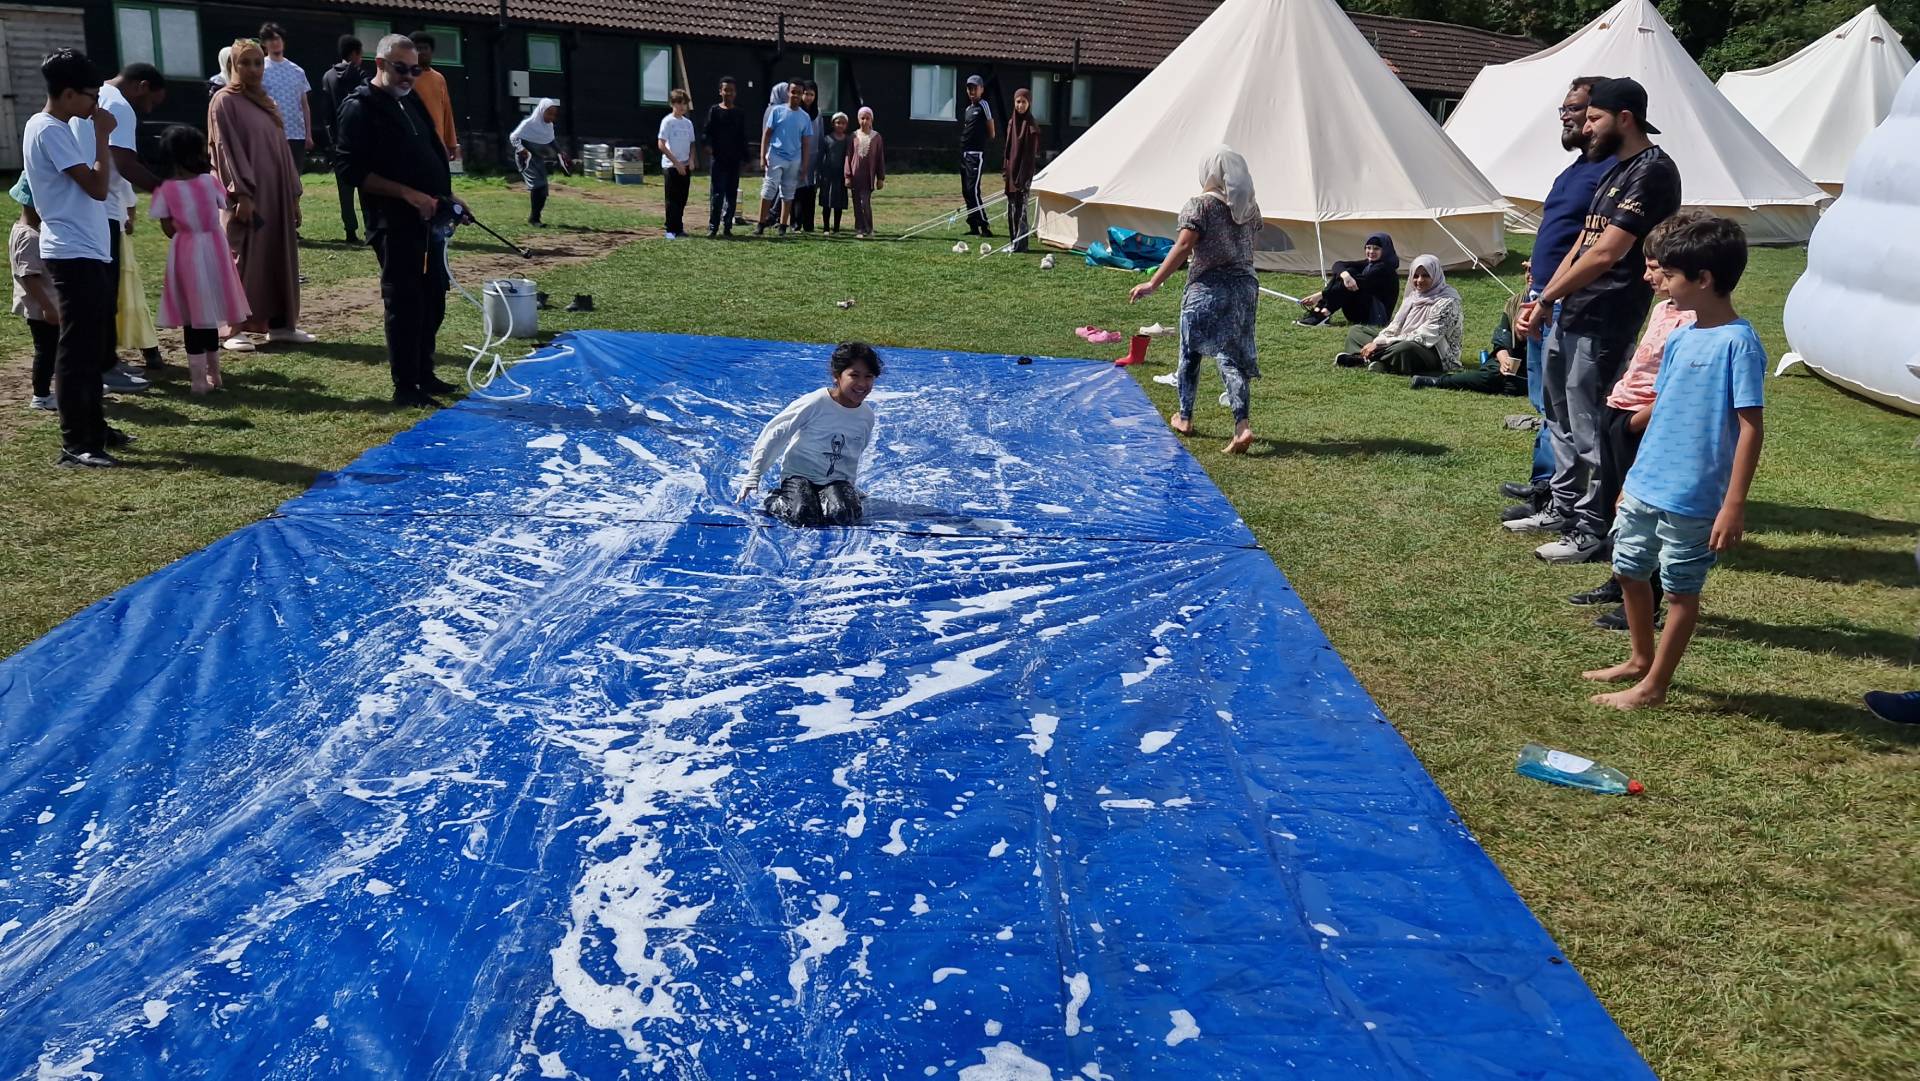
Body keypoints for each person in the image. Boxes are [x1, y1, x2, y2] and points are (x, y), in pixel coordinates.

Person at [1581, 215, 1763, 711]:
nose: (1662, 282)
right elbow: (1662, 410)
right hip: (1647, 482)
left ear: (1703, 279)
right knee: (1628, 568)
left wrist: (1733, 505)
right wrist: (1633, 478)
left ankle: (1654, 687)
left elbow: (1750, 427)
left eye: (1671, 274)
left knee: (1680, 589)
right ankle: (1640, 659)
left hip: (1693, 493)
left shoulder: (1739, 344)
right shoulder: (1681, 336)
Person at [1512, 76, 1682, 564]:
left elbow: (1608, 252)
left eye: (1593, 118)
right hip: (1572, 309)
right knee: (1560, 417)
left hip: (1607, 314)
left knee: (1591, 427)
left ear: (1623, 118)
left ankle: (1593, 527)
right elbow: (1581, 243)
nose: (1584, 127)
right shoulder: (1614, 170)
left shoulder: (1653, 172)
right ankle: (1562, 506)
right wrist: (1545, 298)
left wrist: (1549, 297)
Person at [1573, 213, 1703, 630]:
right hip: (1620, 409)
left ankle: (1648, 599)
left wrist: (1637, 422)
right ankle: (1621, 580)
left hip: (1643, 422)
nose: (1647, 276)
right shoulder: (1663, 308)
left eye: (1655, 268)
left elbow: (1675, 387)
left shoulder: (1693, 322)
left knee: (1644, 515)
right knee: (1619, 504)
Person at [1500, 77, 1615, 522]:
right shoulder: (1573, 170)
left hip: (1571, 301)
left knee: (1568, 406)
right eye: (1564, 109)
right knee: (1545, 401)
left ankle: (1559, 493)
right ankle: (1546, 482)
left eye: (1577, 109)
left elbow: (1597, 244)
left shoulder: (1611, 174)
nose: (1567, 117)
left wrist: (1553, 290)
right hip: (1543, 296)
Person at [335, 33, 458, 407]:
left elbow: (431, 150)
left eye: (414, 70)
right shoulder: (359, 107)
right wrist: (407, 194)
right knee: (405, 302)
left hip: (430, 218)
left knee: (433, 297)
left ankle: (424, 372)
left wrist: (448, 197)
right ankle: (406, 385)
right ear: (380, 64)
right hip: (393, 222)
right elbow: (349, 169)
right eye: (401, 69)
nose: (408, 76)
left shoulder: (411, 98)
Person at [1127, 145, 1263, 455]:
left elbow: (1184, 246)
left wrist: (1153, 282)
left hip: (1207, 288)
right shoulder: (1248, 207)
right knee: (1231, 357)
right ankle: (1241, 425)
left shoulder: (1200, 206)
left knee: (1190, 352)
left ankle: (1185, 416)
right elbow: (1249, 246)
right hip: (1244, 288)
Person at [25, 49, 122, 467]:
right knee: (77, 350)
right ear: (68, 94)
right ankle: (76, 441)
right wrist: (102, 136)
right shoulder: (48, 129)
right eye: (91, 95)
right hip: (71, 251)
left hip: (87, 248)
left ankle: (95, 428)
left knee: (91, 346)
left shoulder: (57, 127)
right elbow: (97, 187)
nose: (95, 104)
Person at [210, 38, 312, 351]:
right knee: (243, 257)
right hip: (247, 197)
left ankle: (280, 325)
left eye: (257, 63)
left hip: (276, 194)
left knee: (278, 256)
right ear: (233, 66)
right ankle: (233, 328)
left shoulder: (266, 102)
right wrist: (240, 194)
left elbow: (282, 151)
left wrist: (293, 195)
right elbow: (224, 149)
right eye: (245, 63)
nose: (253, 69)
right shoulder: (224, 101)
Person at [150, 125, 251, 395]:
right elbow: (221, 204)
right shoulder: (210, 182)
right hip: (214, 249)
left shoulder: (166, 190)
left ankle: (197, 380)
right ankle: (214, 374)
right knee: (210, 314)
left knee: (192, 316)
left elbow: (168, 228)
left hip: (185, 251)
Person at [737, 341, 882, 527]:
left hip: (835, 480)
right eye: (854, 375)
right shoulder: (816, 402)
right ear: (837, 376)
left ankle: (826, 497)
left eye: (869, 376)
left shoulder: (866, 416)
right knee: (802, 514)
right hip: (800, 475)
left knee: (843, 515)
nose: (862, 383)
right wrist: (754, 473)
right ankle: (776, 498)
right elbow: (776, 432)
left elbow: (856, 450)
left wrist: (848, 489)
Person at [83, 63, 166, 383]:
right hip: (103, 210)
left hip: (91, 207)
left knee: (102, 292)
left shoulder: (97, 95)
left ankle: (107, 360)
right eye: (152, 101)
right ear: (141, 86)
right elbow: (125, 163)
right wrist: (167, 191)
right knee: (105, 293)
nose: (149, 110)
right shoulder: (119, 105)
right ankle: (104, 366)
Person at [1334, 255, 1462, 375]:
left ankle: (1363, 358)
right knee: (1356, 331)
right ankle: (1381, 362)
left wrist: (1380, 344)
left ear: (1436, 276)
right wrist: (1379, 341)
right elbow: (1395, 326)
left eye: (1425, 275)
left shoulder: (1448, 302)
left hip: (1434, 351)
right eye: (1415, 276)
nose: (1419, 280)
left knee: (1406, 348)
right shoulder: (1413, 297)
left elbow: (1425, 336)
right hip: (1400, 340)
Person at [1410, 293, 1529, 395]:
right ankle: (1437, 381)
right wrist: (1504, 361)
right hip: (1510, 360)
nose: (1531, 276)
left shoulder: (1540, 302)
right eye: (1529, 272)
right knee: (1491, 375)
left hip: (1533, 364)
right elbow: (1501, 339)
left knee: (1518, 383)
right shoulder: (1515, 301)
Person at [9, 176, 59, 412]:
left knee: (54, 349)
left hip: (45, 306)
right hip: (42, 309)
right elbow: (28, 276)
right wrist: (48, 307)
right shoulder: (29, 237)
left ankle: (64, 385)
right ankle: (41, 396)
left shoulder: (25, 231)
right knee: (46, 351)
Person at [1296, 234, 1400, 328]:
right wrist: (1345, 275)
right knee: (1347, 273)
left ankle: (1322, 313)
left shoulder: (1385, 268)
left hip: (1375, 317)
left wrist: (1320, 295)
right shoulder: (1369, 263)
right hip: (1359, 312)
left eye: (1376, 248)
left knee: (1350, 277)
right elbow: (1338, 264)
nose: (1371, 252)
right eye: (1368, 248)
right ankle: (1321, 312)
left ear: (1385, 250)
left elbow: (1359, 282)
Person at [322, 36, 368, 243]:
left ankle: (350, 231)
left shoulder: (328, 77)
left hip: (340, 142)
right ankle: (370, 229)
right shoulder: (360, 75)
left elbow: (327, 114)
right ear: (355, 54)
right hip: (362, 140)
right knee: (367, 188)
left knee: (345, 191)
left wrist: (332, 141)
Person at [757, 81, 812, 236]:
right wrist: (762, 156)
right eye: (793, 91)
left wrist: (805, 165)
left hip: (794, 160)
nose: (796, 95)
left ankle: (783, 225)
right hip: (775, 156)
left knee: (788, 192)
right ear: (788, 92)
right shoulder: (777, 111)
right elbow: (767, 134)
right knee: (768, 190)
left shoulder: (805, 117)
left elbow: (806, 143)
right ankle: (761, 223)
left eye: (799, 92)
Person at [257, 24, 312, 171]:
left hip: (296, 134)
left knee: (295, 178)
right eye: (270, 39)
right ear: (264, 43)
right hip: (270, 133)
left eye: (278, 38)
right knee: (273, 176)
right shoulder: (260, 70)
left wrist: (308, 134)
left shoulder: (298, 71)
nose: (275, 42)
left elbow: (304, 105)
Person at [703, 76, 748, 237]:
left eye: (731, 90)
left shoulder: (739, 113)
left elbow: (743, 136)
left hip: (734, 159)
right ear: (720, 92)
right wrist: (707, 146)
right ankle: (713, 226)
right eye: (725, 90)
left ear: (735, 93)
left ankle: (728, 226)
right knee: (717, 194)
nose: (728, 93)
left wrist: (746, 158)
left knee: (731, 194)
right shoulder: (714, 111)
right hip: (718, 159)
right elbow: (707, 132)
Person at [407, 32, 459, 162]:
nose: (422, 52)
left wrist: (451, 143)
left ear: (431, 51)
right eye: (418, 48)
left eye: (425, 48)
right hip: (412, 140)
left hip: (437, 141)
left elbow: (447, 112)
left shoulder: (439, 79)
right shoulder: (405, 77)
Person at [511, 98, 563, 227]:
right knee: (537, 186)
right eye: (549, 113)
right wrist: (521, 149)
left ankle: (535, 217)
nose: (551, 117)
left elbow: (551, 140)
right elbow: (513, 137)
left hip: (537, 158)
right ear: (541, 111)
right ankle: (534, 220)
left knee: (543, 188)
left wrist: (561, 152)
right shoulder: (528, 123)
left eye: (554, 114)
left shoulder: (549, 126)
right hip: (526, 158)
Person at [1003, 88, 1041, 251]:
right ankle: (1013, 242)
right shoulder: (1012, 123)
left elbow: (1030, 157)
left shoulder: (1031, 127)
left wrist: (1023, 177)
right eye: (1018, 102)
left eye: (1023, 102)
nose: (1020, 105)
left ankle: (1021, 245)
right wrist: (1006, 170)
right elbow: (1007, 149)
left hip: (1023, 175)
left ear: (1029, 103)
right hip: (1011, 173)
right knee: (1011, 209)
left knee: (1021, 209)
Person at [959, 75, 996, 236]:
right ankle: (973, 225)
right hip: (964, 154)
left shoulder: (983, 105)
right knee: (966, 191)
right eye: (969, 88)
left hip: (976, 154)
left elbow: (991, 131)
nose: (972, 91)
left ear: (981, 89)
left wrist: (981, 140)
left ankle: (984, 226)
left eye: (975, 88)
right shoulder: (968, 109)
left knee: (973, 190)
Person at [657, 88, 695, 239]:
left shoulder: (688, 123)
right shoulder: (668, 121)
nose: (682, 106)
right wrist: (676, 163)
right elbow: (661, 144)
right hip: (671, 166)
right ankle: (670, 230)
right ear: (672, 104)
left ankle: (679, 227)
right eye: (679, 103)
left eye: (684, 103)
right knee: (672, 199)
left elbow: (692, 143)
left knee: (682, 198)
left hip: (685, 165)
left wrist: (691, 160)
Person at [845, 107, 886, 239]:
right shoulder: (853, 136)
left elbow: (880, 158)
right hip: (855, 176)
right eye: (862, 118)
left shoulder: (876, 137)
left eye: (867, 118)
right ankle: (859, 229)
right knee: (857, 204)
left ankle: (869, 228)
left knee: (865, 203)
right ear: (858, 120)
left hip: (868, 176)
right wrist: (847, 176)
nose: (865, 121)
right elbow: (848, 156)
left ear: (871, 120)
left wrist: (880, 178)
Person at [792, 80, 821, 233]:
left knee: (810, 190)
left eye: (811, 94)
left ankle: (809, 224)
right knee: (797, 190)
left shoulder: (818, 113)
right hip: (798, 154)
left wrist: (820, 157)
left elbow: (820, 135)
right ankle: (796, 222)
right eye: (806, 94)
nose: (808, 97)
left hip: (813, 156)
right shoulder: (796, 112)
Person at [815, 112, 850, 234]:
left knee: (838, 203)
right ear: (833, 124)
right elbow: (820, 156)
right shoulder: (827, 139)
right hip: (828, 175)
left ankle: (836, 228)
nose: (840, 125)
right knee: (827, 201)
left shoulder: (847, 140)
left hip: (840, 175)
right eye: (838, 122)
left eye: (843, 123)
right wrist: (818, 173)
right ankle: (826, 227)